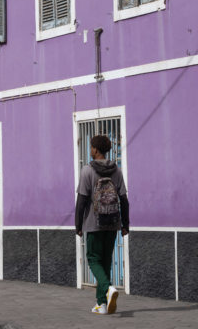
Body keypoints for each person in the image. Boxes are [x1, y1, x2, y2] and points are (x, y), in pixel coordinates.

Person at [74, 134, 129, 315]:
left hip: (94, 223)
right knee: (105, 262)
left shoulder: (87, 171)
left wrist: (78, 225)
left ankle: (108, 288)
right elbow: (123, 199)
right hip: (113, 224)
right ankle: (102, 304)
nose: (90, 151)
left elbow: (81, 201)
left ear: (95, 150)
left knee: (93, 259)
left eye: (91, 148)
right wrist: (125, 224)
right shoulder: (117, 170)